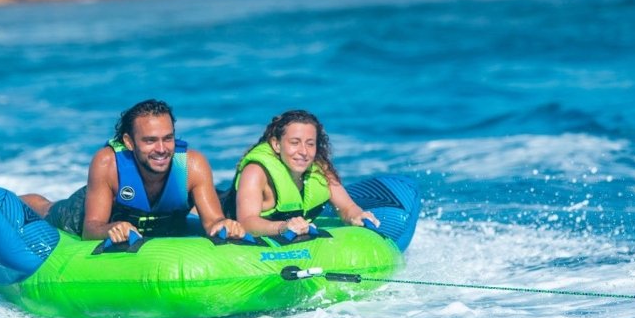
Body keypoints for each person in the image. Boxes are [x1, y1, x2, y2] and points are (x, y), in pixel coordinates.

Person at [22, 99, 245, 244]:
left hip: (160, 222)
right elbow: (91, 229)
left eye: (168, 138)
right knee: (48, 210)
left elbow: (213, 221)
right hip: (86, 212)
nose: (161, 149)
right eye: (150, 141)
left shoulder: (192, 165)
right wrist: (111, 228)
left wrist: (223, 224)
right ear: (129, 142)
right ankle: (19, 201)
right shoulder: (107, 163)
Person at [229, 109, 379, 238]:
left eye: (310, 144)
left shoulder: (320, 171)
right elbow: (247, 222)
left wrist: (357, 216)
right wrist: (283, 227)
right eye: (294, 143)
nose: (304, 152)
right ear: (276, 144)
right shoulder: (256, 172)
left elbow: (347, 208)